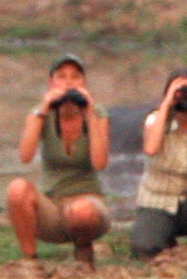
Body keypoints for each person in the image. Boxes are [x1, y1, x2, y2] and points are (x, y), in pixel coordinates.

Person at [6, 56, 112, 267]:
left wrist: (89, 114)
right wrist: (43, 110)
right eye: (61, 77)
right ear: (51, 83)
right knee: (17, 189)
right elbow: (25, 156)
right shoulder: (40, 114)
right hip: (52, 203)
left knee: (81, 211)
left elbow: (100, 162)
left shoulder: (97, 114)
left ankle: (84, 254)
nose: (68, 82)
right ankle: (30, 260)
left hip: (87, 202)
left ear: (84, 83)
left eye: (75, 77)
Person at [130, 68, 187, 261]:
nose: (184, 97)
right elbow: (151, 149)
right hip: (157, 200)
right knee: (144, 248)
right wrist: (167, 105)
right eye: (179, 92)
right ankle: (165, 238)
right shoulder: (155, 120)